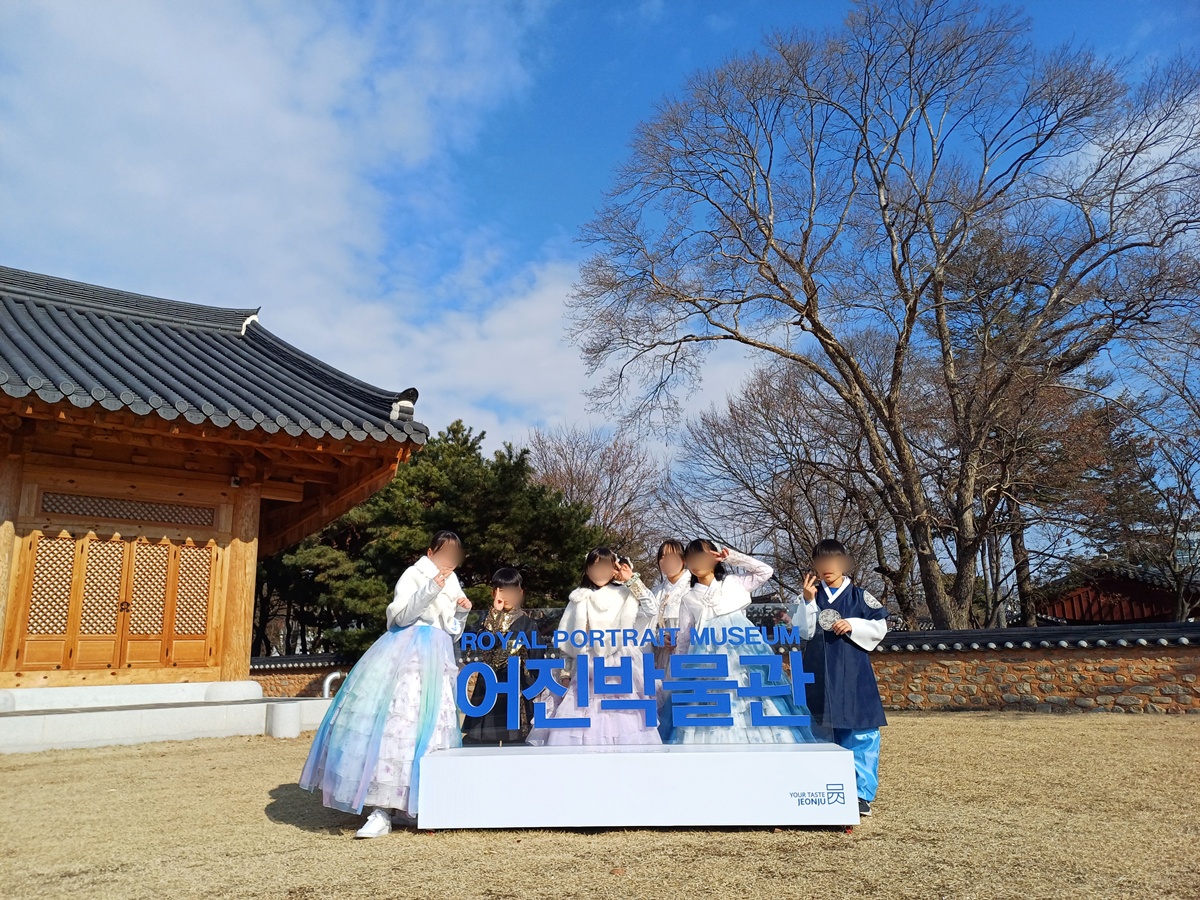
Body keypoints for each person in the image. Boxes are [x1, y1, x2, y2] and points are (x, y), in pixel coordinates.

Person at [299, 530, 472, 838]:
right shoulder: (413, 574)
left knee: (433, 728)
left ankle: (414, 805)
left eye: (454, 555)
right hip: (408, 655)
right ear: (430, 553)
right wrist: (432, 586)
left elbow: (452, 630)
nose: (449, 560)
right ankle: (381, 809)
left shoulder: (454, 582)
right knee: (399, 725)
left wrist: (461, 610)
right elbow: (401, 617)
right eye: (444, 552)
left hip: (438, 659)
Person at [666, 539, 815, 745]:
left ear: (715, 558)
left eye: (702, 556)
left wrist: (732, 557)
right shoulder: (689, 598)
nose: (696, 562)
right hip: (707, 659)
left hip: (744, 652)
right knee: (711, 699)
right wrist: (680, 672)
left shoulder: (733, 583)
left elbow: (765, 571)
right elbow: (684, 638)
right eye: (691, 558)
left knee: (754, 692)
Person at [526, 548, 661, 746]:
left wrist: (632, 580)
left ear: (614, 568)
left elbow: (651, 609)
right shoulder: (579, 598)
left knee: (624, 716)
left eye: (605, 565)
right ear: (587, 570)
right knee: (580, 711)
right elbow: (567, 641)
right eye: (594, 566)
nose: (599, 571)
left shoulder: (626, 593)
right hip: (586, 665)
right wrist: (565, 673)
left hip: (619, 666)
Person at [797, 538, 888, 817]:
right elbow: (802, 632)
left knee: (861, 731)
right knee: (820, 728)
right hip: (818, 672)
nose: (827, 567)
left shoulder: (860, 596)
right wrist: (808, 602)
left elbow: (880, 626)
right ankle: (823, 789)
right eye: (821, 561)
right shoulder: (809, 596)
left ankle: (861, 794)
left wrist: (854, 624)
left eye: (833, 561)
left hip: (854, 673)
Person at [461, 567, 540, 745]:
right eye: (503, 591)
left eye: (512, 591)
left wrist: (530, 687)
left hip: (517, 690)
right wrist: (495, 615)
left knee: (516, 741)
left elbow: (537, 658)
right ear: (494, 593)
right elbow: (479, 644)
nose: (508, 597)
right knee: (482, 741)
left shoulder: (528, 624)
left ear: (520, 593)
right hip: (488, 688)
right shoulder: (485, 620)